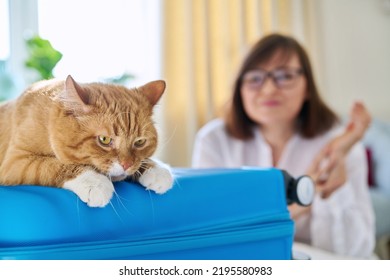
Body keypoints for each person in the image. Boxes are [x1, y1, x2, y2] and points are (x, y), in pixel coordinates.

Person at [192, 33, 375, 258]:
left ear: (308, 87)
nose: (268, 89)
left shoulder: (339, 145)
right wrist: (303, 202)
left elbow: (354, 252)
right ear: (240, 88)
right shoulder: (214, 140)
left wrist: (335, 164)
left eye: (285, 76)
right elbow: (213, 230)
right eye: (255, 78)